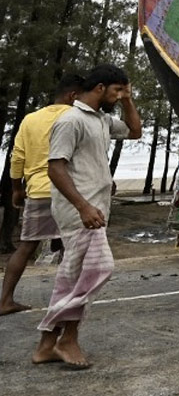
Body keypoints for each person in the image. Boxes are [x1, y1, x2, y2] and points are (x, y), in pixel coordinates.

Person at [35, 64, 141, 369]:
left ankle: (45, 345)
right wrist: (82, 206)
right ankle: (67, 338)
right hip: (80, 211)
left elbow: (134, 132)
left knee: (72, 276)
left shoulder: (101, 120)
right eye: (117, 90)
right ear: (99, 89)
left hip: (94, 210)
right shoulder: (71, 121)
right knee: (99, 268)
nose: (121, 95)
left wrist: (128, 100)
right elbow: (55, 168)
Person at [1, 74, 83, 317]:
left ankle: (4, 300)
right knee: (71, 248)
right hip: (69, 191)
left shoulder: (30, 120)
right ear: (73, 96)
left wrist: (17, 189)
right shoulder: (75, 117)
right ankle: (66, 303)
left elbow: (17, 157)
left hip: (37, 191)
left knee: (26, 247)